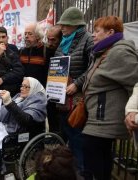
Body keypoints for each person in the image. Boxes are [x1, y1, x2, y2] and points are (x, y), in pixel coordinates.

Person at [81, 16, 138, 180]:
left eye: (97, 31)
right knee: (101, 159)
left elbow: (135, 83)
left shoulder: (119, 52)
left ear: (110, 32)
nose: (93, 35)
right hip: (97, 116)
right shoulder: (103, 51)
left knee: (92, 157)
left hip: (104, 119)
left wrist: (132, 110)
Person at [55, 6, 94, 171]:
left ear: (76, 25)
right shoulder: (63, 41)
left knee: (77, 135)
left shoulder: (87, 39)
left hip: (77, 98)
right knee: (69, 132)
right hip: (62, 97)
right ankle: (75, 169)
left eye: (66, 24)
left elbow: (93, 68)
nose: (62, 27)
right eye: (61, 24)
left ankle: (83, 171)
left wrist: (77, 84)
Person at [19, 23, 52, 87]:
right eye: (25, 33)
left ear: (38, 35)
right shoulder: (21, 52)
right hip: (24, 90)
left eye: (30, 34)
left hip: (40, 91)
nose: (26, 36)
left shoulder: (47, 51)